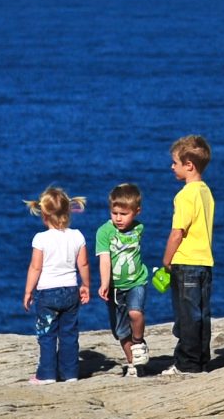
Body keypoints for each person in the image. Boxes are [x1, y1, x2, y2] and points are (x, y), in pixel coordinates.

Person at [23, 187, 91, 383]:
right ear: (68, 212)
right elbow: (83, 264)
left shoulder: (40, 239)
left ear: (44, 215)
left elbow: (35, 268)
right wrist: (85, 285)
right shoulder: (77, 236)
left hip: (47, 293)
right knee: (69, 333)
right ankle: (70, 374)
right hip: (71, 291)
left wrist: (28, 291)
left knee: (47, 334)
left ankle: (47, 374)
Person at [161, 135, 216, 373]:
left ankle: (186, 363)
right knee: (201, 315)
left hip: (185, 262)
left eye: (175, 162)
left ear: (189, 165)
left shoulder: (185, 195)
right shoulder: (206, 192)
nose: (172, 167)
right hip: (204, 262)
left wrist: (166, 259)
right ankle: (202, 360)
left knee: (186, 316)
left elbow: (177, 232)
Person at [92, 182, 151, 375]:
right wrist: (104, 283)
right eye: (114, 213)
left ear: (136, 212)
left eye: (123, 214)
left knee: (135, 313)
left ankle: (139, 344)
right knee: (120, 331)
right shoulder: (104, 232)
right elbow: (105, 260)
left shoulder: (139, 228)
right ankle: (133, 363)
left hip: (137, 281)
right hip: (116, 288)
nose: (118, 218)